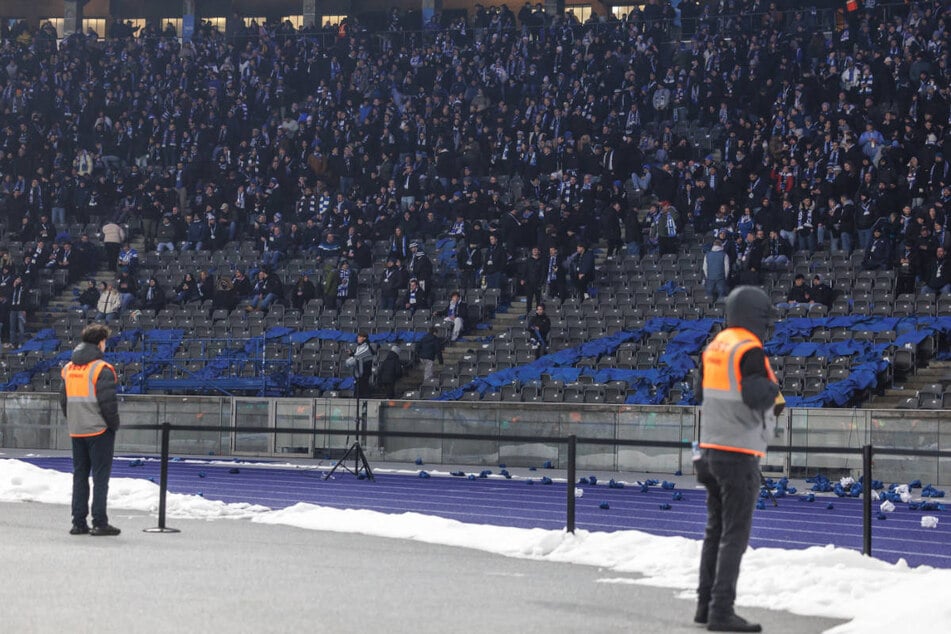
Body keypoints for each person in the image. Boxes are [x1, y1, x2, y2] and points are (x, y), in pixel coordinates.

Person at [694, 286, 781, 632]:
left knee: (715, 530)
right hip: (739, 453)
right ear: (755, 315)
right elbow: (756, 396)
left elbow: (701, 392)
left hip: (710, 449)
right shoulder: (749, 349)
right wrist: (775, 387)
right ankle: (721, 612)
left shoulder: (715, 346)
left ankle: (705, 606)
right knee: (734, 535)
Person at [59, 324, 121, 536]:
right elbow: (108, 404)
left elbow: (63, 400)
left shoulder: (69, 368)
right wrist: (113, 426)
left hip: (77, 429)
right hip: (98, 430)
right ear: (100, 342)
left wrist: (74, 420)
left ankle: (78, 522)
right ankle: (99, 522)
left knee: (80, 476)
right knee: (101, 478)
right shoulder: (101, 369)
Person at [345, 332, 376, 399]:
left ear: (364, 338)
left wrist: (352, 358)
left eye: (359, 337)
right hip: (361, 372)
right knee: (360, 389)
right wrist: (351, 354)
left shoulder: (366, 347)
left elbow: (359, 358)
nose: (358, 338)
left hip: (363, 372)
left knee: (362, 390)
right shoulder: (360, 346)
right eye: (358, 337)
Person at [702, 239, 730, 303]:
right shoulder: (724, 255)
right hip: (721, 277)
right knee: (722, 296)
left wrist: (708, 276)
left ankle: (709, 310)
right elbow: (727, 268)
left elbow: (704, 268)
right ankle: (720, 310)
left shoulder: (707, 254)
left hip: (710, 278)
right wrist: (724, 277)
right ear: (721, 245)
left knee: (708, 296)